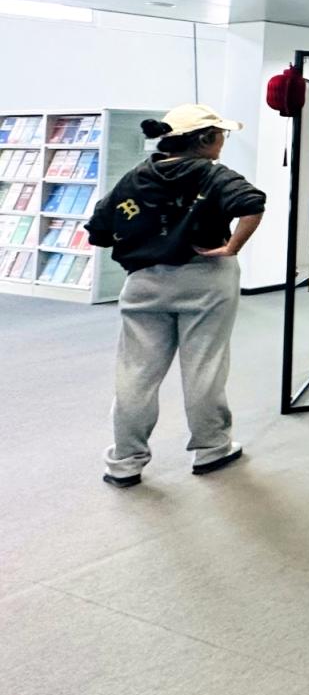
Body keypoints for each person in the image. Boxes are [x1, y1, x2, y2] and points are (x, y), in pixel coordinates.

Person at [86, 104, 265, 488]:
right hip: (205, 280)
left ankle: (125, 461)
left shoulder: (136, 175)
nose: (222, 141)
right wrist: (231, 246)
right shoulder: (212, 174)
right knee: (204, 365)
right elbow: (252, 204)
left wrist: (148, 240)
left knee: (136, 372)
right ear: (205, 139)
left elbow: (98, 229)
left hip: (144, 283)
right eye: (220, 135)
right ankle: (212, 448)